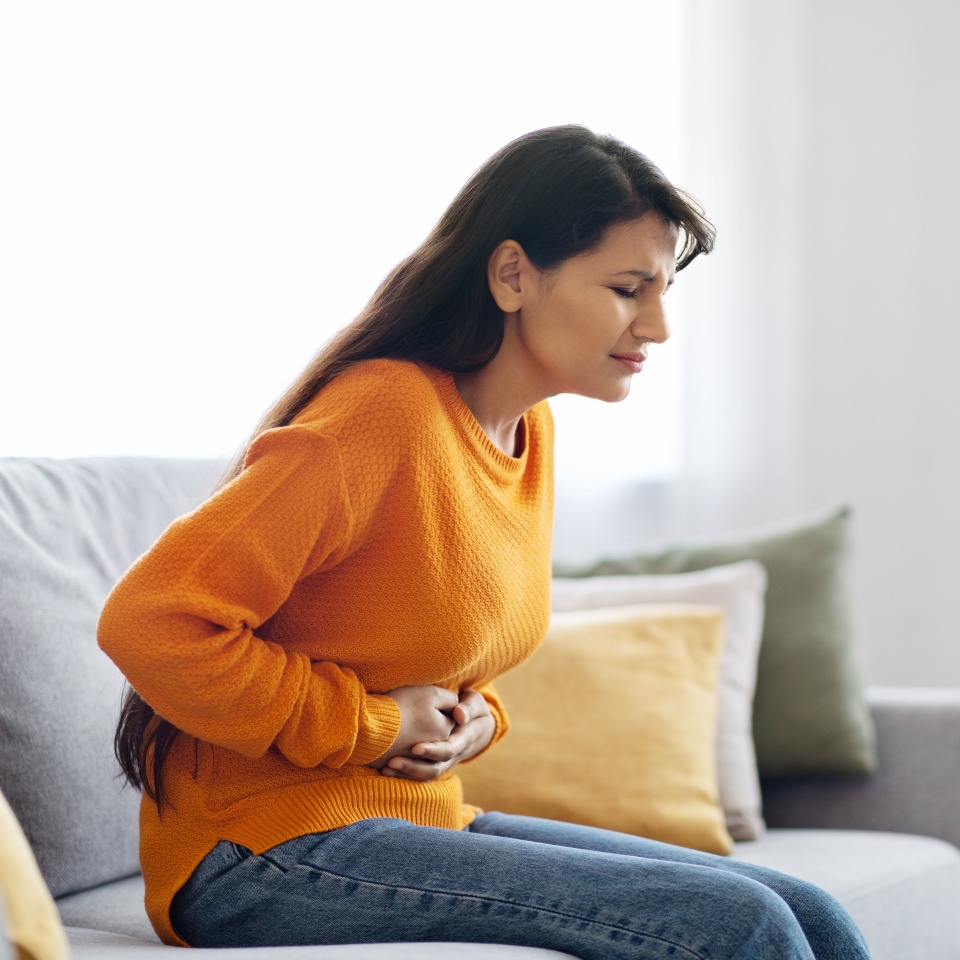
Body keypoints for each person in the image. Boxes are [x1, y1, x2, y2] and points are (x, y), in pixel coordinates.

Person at [98, 125, 872, 960]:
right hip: (258, 852)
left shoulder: (526, 434)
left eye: (664, 291)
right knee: (741, 926)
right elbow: (149, 622)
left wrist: (472, 722)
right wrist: (372, 725)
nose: (657, 326)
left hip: (411, 820)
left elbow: (450, 651)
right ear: (512, 275)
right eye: (626, 287)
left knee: (805, 909)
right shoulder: (380, 416)